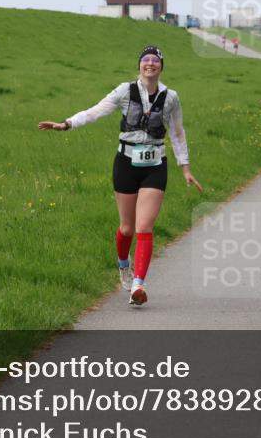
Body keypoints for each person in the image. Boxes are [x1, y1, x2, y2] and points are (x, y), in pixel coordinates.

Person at [38, 46, 203, 307]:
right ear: (139, 65)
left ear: (161, 66)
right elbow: (95, 111)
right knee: (127, 228)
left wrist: (185, 168)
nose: (150, 64)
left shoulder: (171, 97)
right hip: (126, 163)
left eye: (155, 60)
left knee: (144, 226)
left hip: (155, 165)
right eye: (146, 60)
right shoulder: (125, 91)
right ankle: (124, 265)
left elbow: (177, 132)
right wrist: (67, 124)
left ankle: (138, 284)